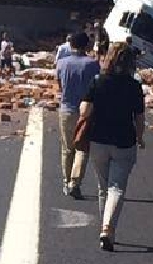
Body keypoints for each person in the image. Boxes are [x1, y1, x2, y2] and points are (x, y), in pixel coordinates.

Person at [80, 42, 145, 252]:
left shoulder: (98, 81)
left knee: (102, 186)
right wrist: (140, 137)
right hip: (124, 141)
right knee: (116, 187)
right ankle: (108, 228)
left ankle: (104, 227)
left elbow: (85, 110)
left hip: (98, 140)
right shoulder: (134, 86)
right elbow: (140, 118)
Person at [56, 32, 100, 199]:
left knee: (67, 149)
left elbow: (60, 85)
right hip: (86, 111)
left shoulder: (61, 63)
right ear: (86, 45)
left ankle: (66, 182)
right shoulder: (92, 64)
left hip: (66, 109)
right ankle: (75, 182)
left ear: (71, 44)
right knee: (82, 148)